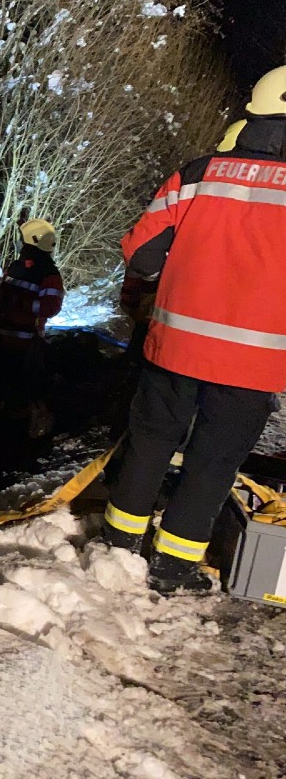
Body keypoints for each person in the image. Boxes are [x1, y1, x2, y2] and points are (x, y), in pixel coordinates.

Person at [101, 65, 286, 594]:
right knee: (214, 460)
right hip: (254, 362)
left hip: (176, 344)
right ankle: (173, 567)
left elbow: (140, 254)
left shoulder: (201, 172)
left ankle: (117, 549)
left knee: (151, 441)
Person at [0, 219, 64, 435]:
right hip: (0, 338)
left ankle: (15, 436)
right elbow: (2, 295)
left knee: (18, 393)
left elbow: (50, 307)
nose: (19, 244)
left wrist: (21, 304)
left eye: (22, 240)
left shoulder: (49, 276)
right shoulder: (16, 267)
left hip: (26, 344)